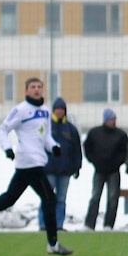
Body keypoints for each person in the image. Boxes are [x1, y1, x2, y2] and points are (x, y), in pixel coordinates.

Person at [0, 77, 72, 255]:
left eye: (39, 87)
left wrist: (54, 147)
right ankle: (53, 244)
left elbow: (45, 136)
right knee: (50, 199)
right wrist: (7, 148)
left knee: (8, 199)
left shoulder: (44, 111)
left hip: (33, 162)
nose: (36, 90)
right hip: (29, 162)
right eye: (33, 87)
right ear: (26, 91)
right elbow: (2, 130)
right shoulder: (21, 110)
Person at [39, 98, 82, 231]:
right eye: (57, 109)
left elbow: (77, 149)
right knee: (46, 197)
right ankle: (43, 224)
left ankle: (58, 225)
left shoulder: (71, 129)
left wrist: (77, 166)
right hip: (48, 169)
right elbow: (38, 145)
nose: (59, 111)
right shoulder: (45, 126)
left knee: (61, 199)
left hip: (65, 170)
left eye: (62, 109)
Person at [83, 108, 128, 231]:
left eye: (114, 119)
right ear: (105, 120)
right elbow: (87, 149)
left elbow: (124, 153)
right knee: (95, 196)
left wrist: (116, 164)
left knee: (113, 198)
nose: (112, 121)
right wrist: (94, 162)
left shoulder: (121, 135)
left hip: (114, 171)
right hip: (99, 170)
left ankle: (108, 225)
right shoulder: (94, 133)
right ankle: (89, 224)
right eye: (110, 119)